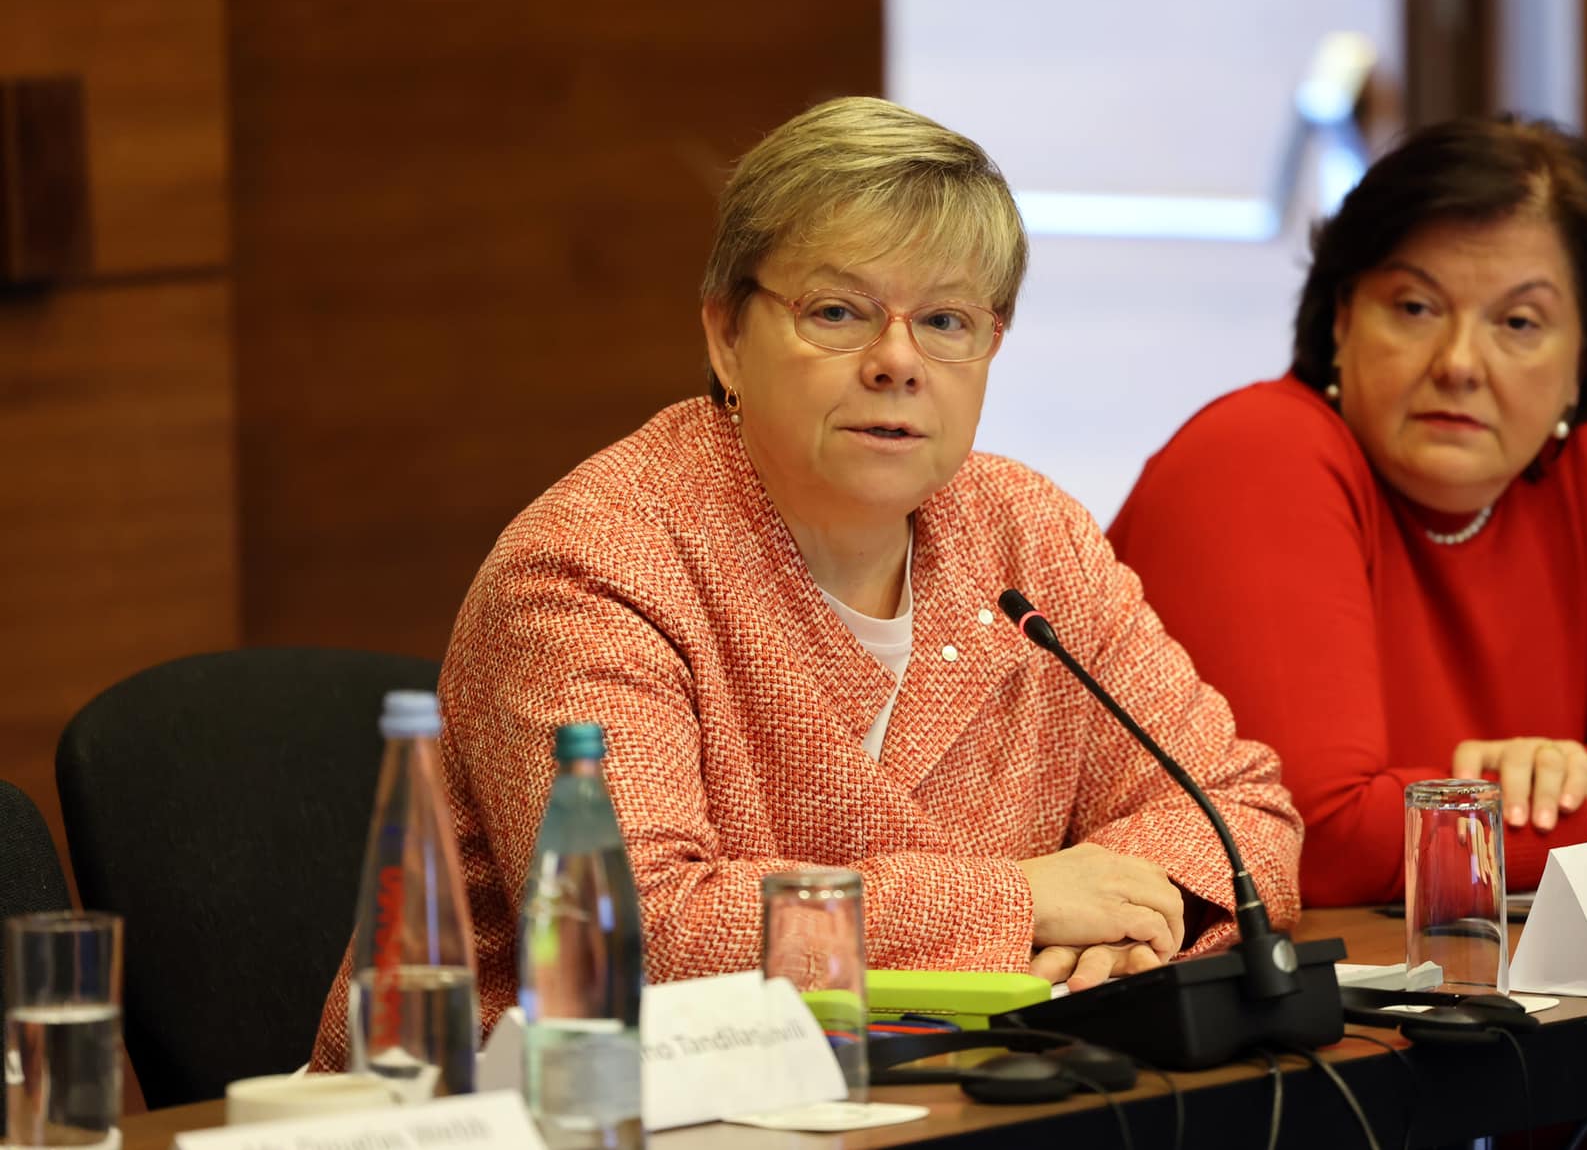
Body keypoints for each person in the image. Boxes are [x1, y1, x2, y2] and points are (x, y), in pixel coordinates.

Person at [309, 97, 1303, 1066]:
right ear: (725, 337)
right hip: (559, 1111)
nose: (897, 361)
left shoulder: (1030, 536)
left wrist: (1127, 927)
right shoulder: (593, 561)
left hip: (936, 1093)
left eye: (946, 320)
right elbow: (636, 929)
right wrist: (1021, 904)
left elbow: (1240, 812)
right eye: (838, 312)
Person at [1107, 118, 1587, 906]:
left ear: (1581, 364)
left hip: (1468, 969)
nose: (1460, 364)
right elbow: (1314, 837)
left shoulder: (1563, 469)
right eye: (1415, 307)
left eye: (1519, 323)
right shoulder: (1258, 452)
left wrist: (1554, 774)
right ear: (1342, 319)